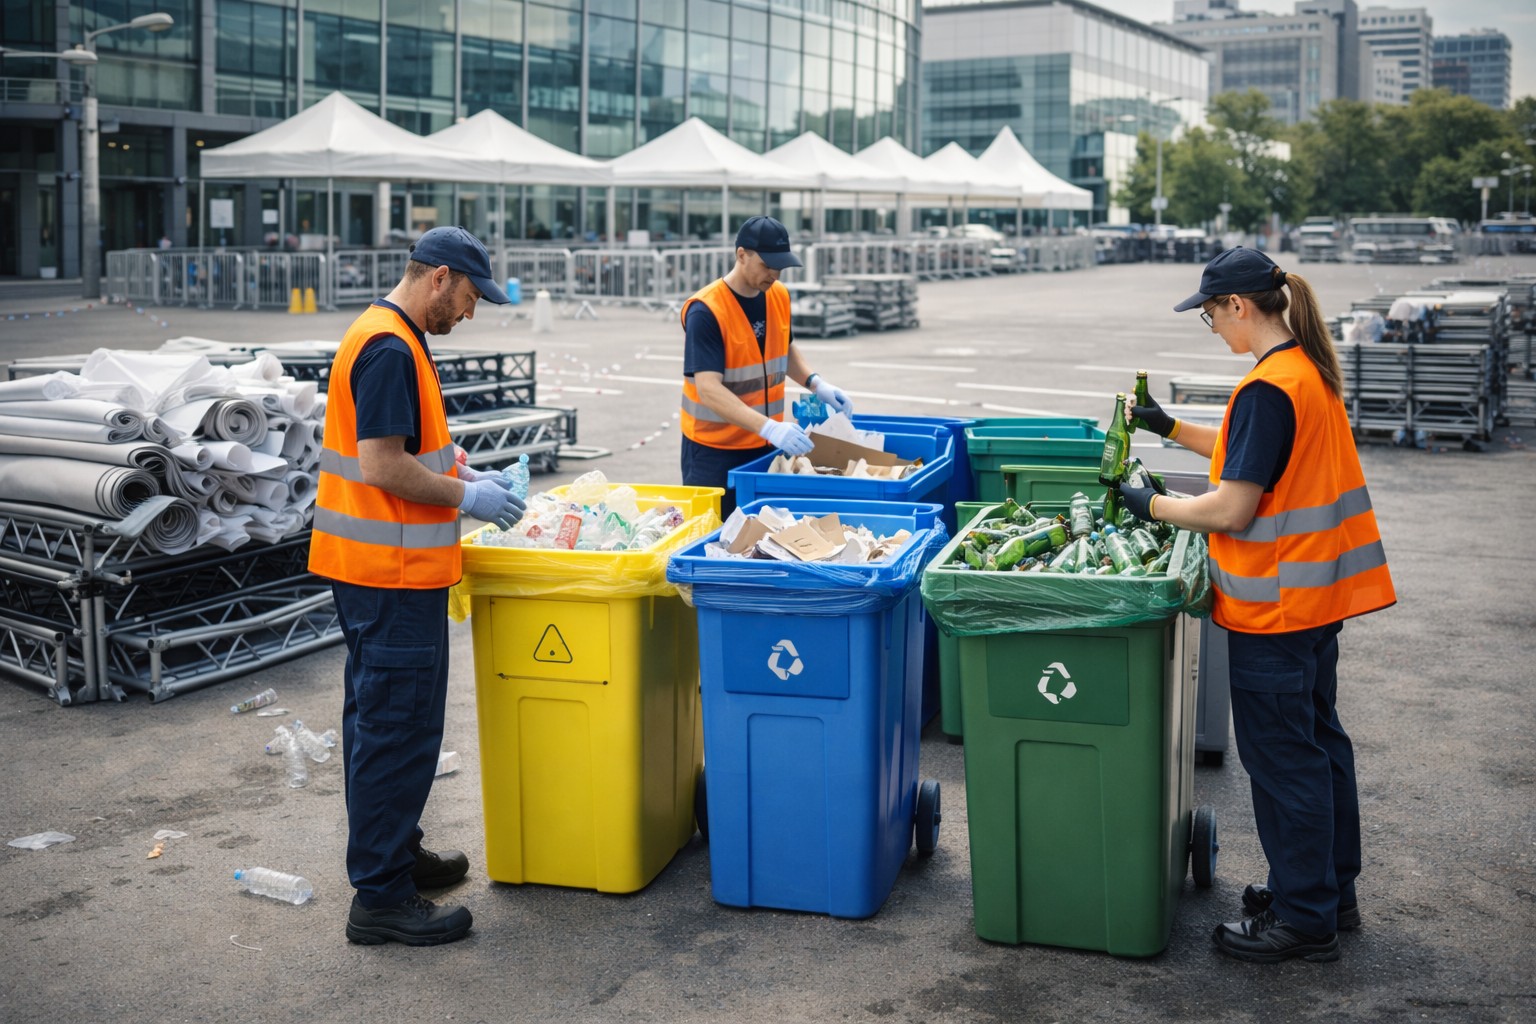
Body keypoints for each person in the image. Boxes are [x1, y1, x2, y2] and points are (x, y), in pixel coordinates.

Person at [1119, 246, 1396, 964]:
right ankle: (1331, 893)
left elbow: (1234, 506)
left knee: (1283, 765)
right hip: (1315, 601)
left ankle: (1304, 921)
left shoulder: (1271, 388)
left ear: (1239, 306)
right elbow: (1248, 454)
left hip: (1274, 609)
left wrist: (1151, 504)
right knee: (1319, 747)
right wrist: (1168, 425)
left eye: (1211, 314)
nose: (1211, 326)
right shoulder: (1305, 372)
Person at [308, 226, 523, 946]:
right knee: (394, 732)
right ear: (438, 277)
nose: (470, 313)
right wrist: (468, 499)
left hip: (389, 574)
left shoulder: (394, 334)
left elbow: (414, 445)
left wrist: (465, 468)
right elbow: (382, 467)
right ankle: (381, 897)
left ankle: (394, 854)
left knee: (392, 725)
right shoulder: (391, 347)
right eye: (468, 297)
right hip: (389, 577)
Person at [680, 216, 853, 518]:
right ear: (742, 254)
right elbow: (708, 389)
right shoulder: (706, 310)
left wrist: (815, 382)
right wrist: (769, 427)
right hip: (713, 451)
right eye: (767, 265)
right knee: (714, 533)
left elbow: (783, 348)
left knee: (760, 532)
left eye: (780, 266)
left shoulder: (778, 295)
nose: (774, 274)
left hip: (765, 444)